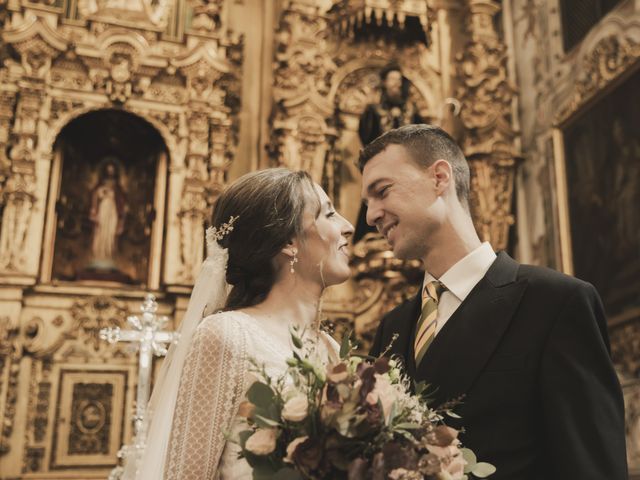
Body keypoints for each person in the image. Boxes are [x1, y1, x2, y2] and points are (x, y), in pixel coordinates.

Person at [361, 124, 628, 479]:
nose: (370, 215)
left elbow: (592, 466)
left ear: (439, 177)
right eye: (367, 203)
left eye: (382, 192)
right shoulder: (392, 327)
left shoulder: (555, 302)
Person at [130, 168, 354, 479]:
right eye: (328, 214)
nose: (348, 226)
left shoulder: (331, 349)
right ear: (290, 240)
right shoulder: (227, 335)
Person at [354, 64, 423, 243]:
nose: (396, 84)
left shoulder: (411, 110)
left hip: (406, 166)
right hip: (381, 164)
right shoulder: (373, 110)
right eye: (392, 80)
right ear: (384, 83)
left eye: (398, 80)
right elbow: (365, 136)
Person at [88, 159, 127, 268]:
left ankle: (109, 255)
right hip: (103, 209)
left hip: (112, 210)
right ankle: (99, 255)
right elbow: (94, 197)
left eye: (112, 170)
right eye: (108, 170)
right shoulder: (100, 185)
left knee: (111, 232)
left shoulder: (117, 186)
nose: (110, 172)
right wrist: (94, 209)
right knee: (100, 231)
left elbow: (121, 200)